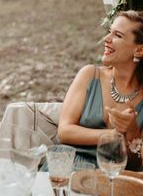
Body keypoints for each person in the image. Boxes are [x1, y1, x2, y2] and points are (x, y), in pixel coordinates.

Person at [58, 10, 143, 168]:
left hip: (114, 179)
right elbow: (64, 132)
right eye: (109, 32)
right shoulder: (90, 74)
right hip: (69, 167)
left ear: (139, 50)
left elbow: (136, 164)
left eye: (117, 35)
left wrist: (132, 131)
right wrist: (113, 135)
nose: (106, 39)